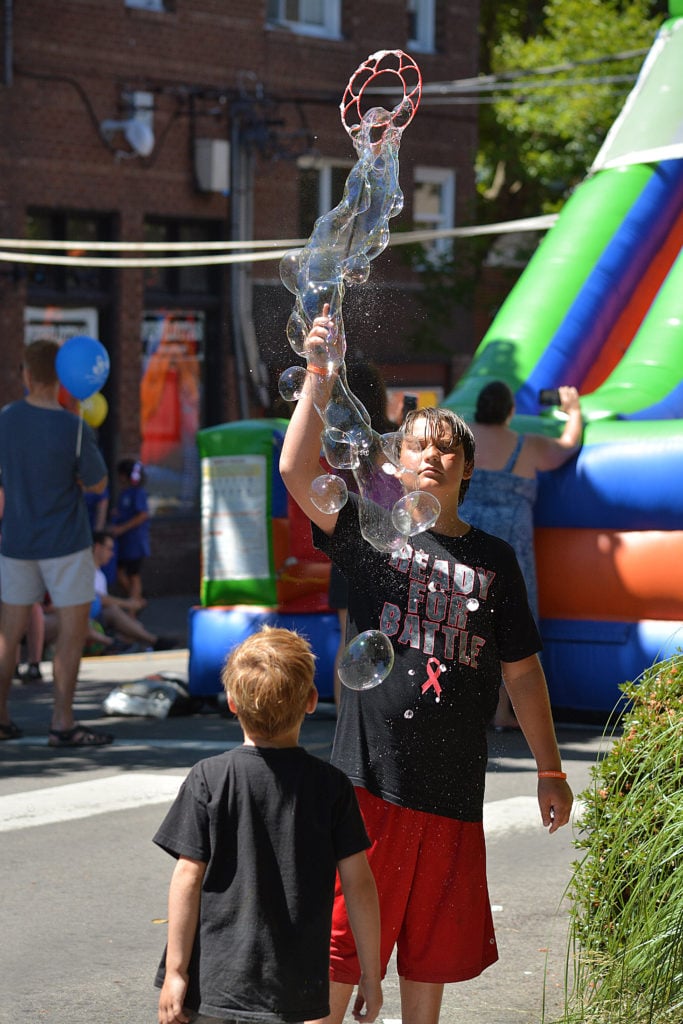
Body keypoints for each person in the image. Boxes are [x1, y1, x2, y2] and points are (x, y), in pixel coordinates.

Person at [279, 306, 573, 1024]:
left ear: (467, 468)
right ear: (393, 462)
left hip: (451, 790)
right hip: (368, 784)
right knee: (340, 956)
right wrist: (318, 376)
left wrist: (549, 767)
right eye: (416, 445)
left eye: (446, 448)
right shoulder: (372, 534)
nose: (431, 456)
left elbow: (522, 672)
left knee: (428, 965)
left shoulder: (493, 560)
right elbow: (294, 468)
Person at [153, 625, 382, 1024]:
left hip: (214, 981)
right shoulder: (331, 787)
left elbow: (187, 876)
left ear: (232, 703)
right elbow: (359, 884)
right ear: (312, 701)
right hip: (292, 984)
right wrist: (371, 973)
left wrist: (176, 971)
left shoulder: (209, 778)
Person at [0, 339, 112, 746]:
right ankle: (62, 722)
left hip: (16, 541)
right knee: (71, 631)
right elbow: (98, 482)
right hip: (66, 542)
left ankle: (1, 716)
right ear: (63, 376)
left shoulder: (5, 420)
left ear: (26, 375)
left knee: (7, 635)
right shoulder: (74, 426)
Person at [460, 380, 583, 731]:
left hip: (468, 541)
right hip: (511, 547)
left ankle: (467, 706)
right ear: (510, 412)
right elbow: (567, 445)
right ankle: (504, 711)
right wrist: (573, 412)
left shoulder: (463, 442)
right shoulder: (524, 445)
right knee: (512, 625)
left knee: (468, 621)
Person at [327, 359, 397, 704]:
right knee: (393, 639)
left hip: (347, 543)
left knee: (348, 642)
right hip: (390, 547)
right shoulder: (392, 442)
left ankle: (346, 726)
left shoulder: (338, 442)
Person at [90, 530, 177, 651]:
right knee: (115, 612)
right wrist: (129, 603)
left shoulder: (100, 575)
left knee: (135, 626)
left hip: (99, 619)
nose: (112, 554)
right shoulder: (86, 571)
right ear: (98, 547)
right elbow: (98, 599)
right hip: (88, 619)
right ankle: (154, 642)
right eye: (109, 549)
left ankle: (129, 644)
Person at [109, 457, 150, 605]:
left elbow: (142, 514)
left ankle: (134, 608)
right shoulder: (124, 493)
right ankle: (137, 599)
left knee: (133, 575)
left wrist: (122, 528)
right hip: (124, 543)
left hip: (135, 542)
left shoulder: (138, 492)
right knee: (120, 573)